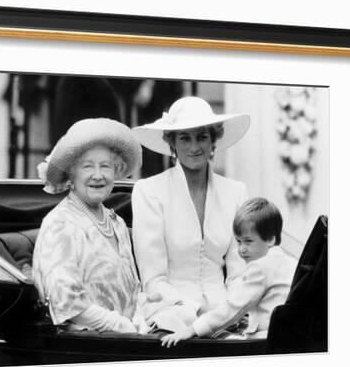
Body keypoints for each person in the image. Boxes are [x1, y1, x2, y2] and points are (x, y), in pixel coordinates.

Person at [131, 96, 251, 332]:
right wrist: (190, 313)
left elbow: (240, 273)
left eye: (202, 137)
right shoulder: (149, 191)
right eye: (184, 138)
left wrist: (230, 312)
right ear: (172, 143)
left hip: (225, 315)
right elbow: (153, 279)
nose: (194, 147)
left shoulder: (236, 192)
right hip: (168, 312)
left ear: (213, 141)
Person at [33, 118, 146, 333]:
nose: (98, 175)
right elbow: (66, 303)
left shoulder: (117, 223)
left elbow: (133, 290)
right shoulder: (59, 223)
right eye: (87, 166)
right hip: (86, 345)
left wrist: (139, 319)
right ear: (71, 175)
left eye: (105, 166)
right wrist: (121, 326)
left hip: (128, 341)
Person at [161, 198, 298, 346]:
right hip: (289, 335)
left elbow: (234, 308)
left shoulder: (260, 267)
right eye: (238, 241)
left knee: (213, 338)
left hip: (266, 339)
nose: (241, 249)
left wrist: (192, 329)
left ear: (270, 239)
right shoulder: (289, 261)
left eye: (248, 241)